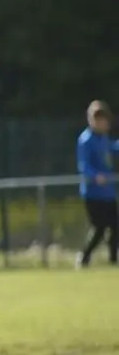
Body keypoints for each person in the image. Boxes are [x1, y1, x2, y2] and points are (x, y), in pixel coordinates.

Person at [76, 100, 119, 267]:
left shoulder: (104, 139)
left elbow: (112, 149)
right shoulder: (85, 140)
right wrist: (96, 176)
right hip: (93, 193)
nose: (102, 123)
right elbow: (83, 165)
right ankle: (84, 257)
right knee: (100, 228)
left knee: (116, 226)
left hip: (108, 192)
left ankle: (113, 259)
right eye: (98, 119)